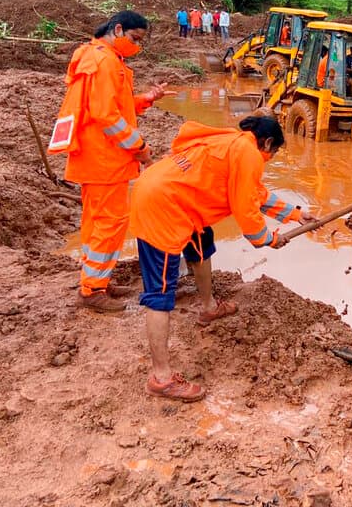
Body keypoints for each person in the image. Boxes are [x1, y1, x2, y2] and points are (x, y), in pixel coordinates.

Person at [131, 115, 315, 401]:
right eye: (274, 152)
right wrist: (268, 239)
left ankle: (208, 307)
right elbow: (246, 211)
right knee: (160, 293)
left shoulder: (234, 142)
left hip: (175, 196)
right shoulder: (250, 154)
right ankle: (161, 378)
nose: (270, 158)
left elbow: (255, 194)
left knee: (202, 243)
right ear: (267, 142)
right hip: (162, 206)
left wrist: (296, 214)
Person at [49, 11, 169, 313]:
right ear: (117, 29)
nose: (136, 46)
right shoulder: (105, 62)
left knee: (95, 223)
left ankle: (97, 279)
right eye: (134, 39)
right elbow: (107, 117)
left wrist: (146, 99)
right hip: (105, 160)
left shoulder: (97, 56)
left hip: (95, 158)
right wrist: (140, 147)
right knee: (110, 223)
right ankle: (92, 290)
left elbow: (114, 105)